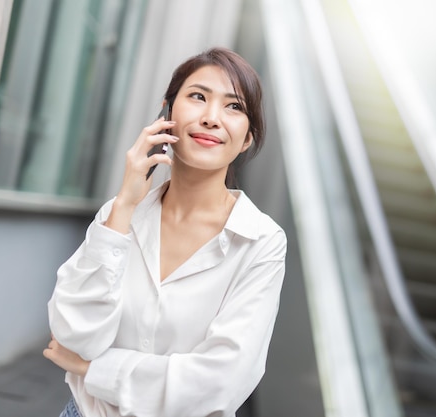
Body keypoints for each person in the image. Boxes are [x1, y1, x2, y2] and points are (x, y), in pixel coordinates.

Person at [43, 47, 287, 417]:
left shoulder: (260, 242)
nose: (211, 118)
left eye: (233, 107)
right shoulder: (120, 214)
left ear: (248, 137)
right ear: (167, 111)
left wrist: (96, 370)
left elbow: (220, 383)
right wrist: (125, 203)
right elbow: (74, 336)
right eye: (198, 96)